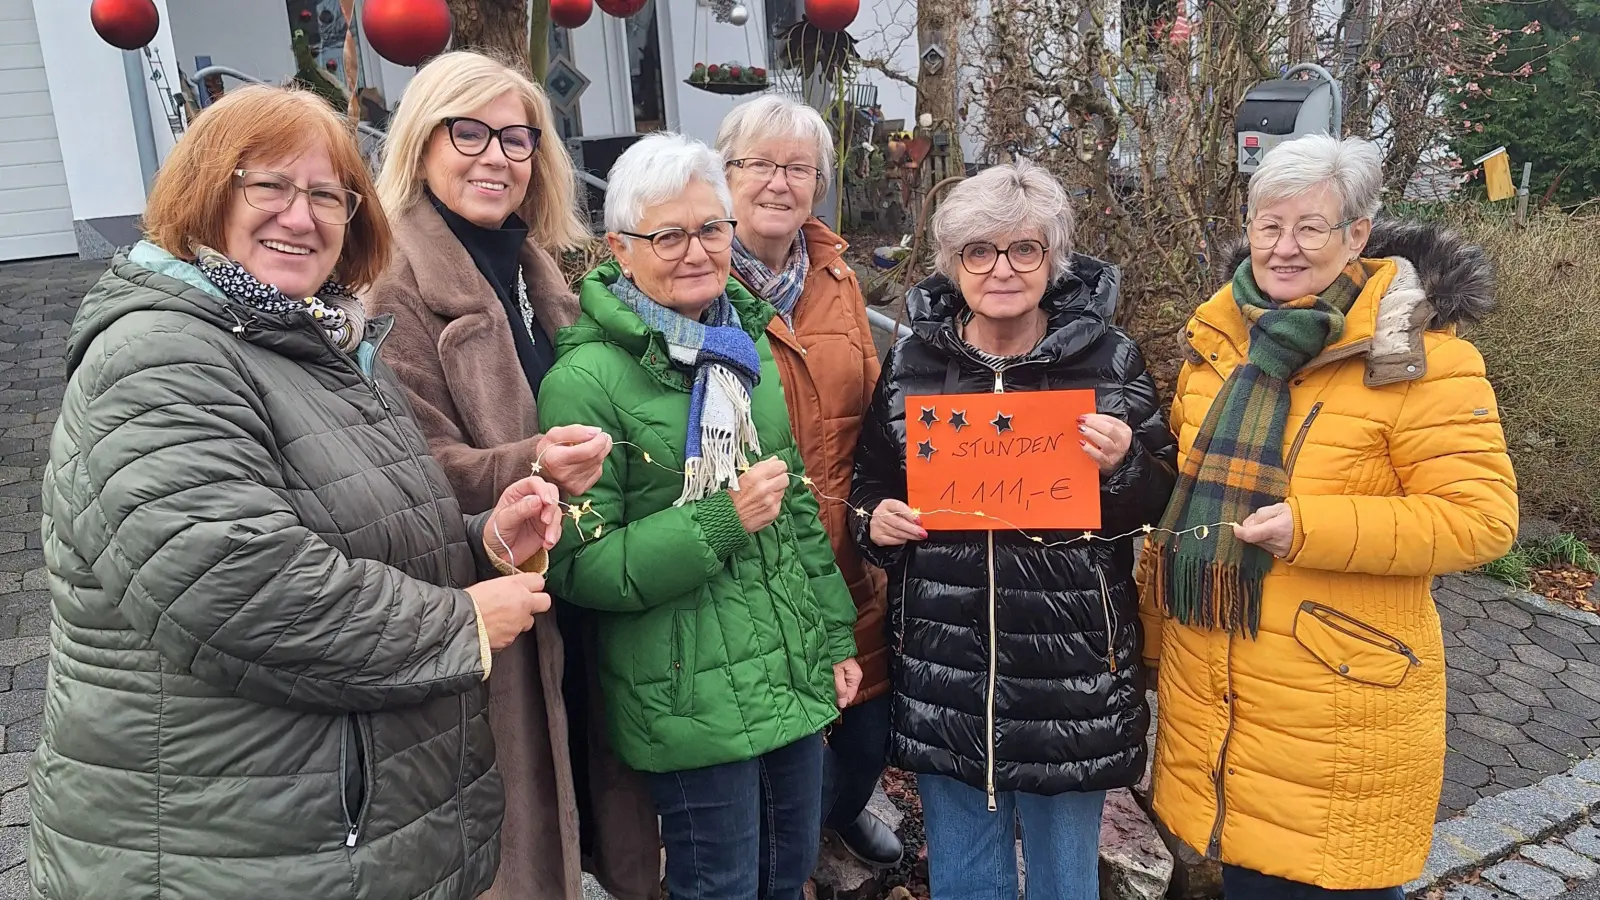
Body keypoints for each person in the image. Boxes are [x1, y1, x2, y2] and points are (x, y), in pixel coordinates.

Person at [29, 84, 571, 900]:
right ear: (205, 194)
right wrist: (459, 619)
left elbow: (361, 526)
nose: (301, 215)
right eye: (268, 186)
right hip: (226, 844)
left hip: (326, 829)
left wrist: (480, 538)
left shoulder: (317, 341)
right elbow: (232, 584)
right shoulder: (157, 356)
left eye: (326, 195)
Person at [1139, 134, 1518, 899]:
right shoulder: (1216, 345)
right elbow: (1181, 493)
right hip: (1213, 691)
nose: (1284, 248)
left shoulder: (1420, 359)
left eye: (1310, 228)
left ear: (1355, 236)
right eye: (1267, 226)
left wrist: (1309, 526)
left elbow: (1482, 519)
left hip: (1335, 709)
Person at [365, 50, 659, 900]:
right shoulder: (394, 289)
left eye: (518, 139)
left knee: (591, 803)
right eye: (470, 132)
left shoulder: (538, 274)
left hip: (576, 582)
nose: (496, 155)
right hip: (492, 607)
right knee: (517, 844)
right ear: (422, 142)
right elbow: (407, 471)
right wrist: (527, 464)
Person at [537, 132, 861, 900]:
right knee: (718, 886)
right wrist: (719, 521)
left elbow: (797, 509)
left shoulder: (740, 347)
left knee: (788, 876)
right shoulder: (585, 379)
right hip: (686, 695)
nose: (695, 251)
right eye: (668, 235)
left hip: (786, 668)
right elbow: (577, 564)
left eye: (711, 229)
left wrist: (836, 634)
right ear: (620, 247)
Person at [850, 161, 1176, 900]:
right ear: (952, 263)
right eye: (980, 252)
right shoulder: (911, 362)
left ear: (1053, 258)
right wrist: (879, 521)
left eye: (1023, 249)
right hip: (948, 672)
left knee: (1067, 884)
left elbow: (1158, 499)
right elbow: (868, 484)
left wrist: (1125, 463)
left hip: (1071, 674)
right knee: (966, 880)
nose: (1002, 269)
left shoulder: (1109, 358)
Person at [716, 95, 900, 868]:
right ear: (724, 174)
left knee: (869, 727)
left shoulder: (836, 277)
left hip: (842, 545)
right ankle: (786, 852)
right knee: (772, 732)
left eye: (798, 168)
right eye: (760, 164)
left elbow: (874, 405)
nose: (779, 183)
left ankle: (838, 809)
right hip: (747, 548)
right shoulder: (689, 277)